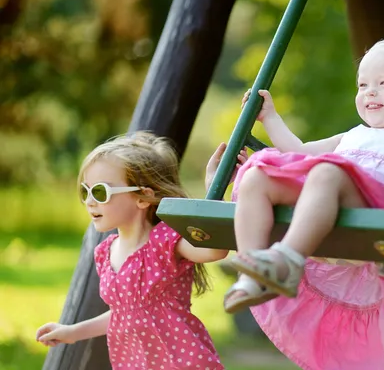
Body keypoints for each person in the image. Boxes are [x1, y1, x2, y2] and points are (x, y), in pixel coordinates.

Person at [213, 37, 384, 370]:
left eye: (383, 83)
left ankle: (288, 259)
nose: (370, 91)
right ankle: (257, 269)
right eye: (363, 84)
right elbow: (298, 151)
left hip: (371, 211)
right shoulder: (351, 136)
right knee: (259, 173)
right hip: (332, 200)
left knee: (326, 172)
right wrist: (270, 118)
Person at [36, 132, 246, 370]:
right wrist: (72, 332)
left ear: (143, 197)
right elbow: (123, 315)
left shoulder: (164, 241)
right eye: (86, 192)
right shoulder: (105, 252)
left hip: (181, 362)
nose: (90, 202)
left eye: (100, 192)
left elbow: (214, 251)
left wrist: (214, 190)